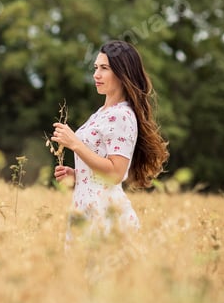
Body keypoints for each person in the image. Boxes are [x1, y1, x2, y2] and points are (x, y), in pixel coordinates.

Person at [51, 40, 168, 241]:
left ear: (123, 74)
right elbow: (101, 167)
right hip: (84, 213)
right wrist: (78, 175)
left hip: (106, 218)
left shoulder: (122, 115)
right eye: (96, 67)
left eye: (104, 68)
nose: (96, 74)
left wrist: (75, 144)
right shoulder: (101, 113)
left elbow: (115, 173)